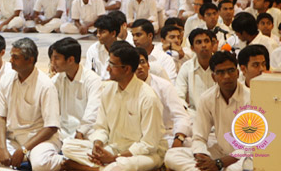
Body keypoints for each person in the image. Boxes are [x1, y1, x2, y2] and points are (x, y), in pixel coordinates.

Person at [62, 43, 167, 171]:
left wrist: (115, 158)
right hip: (113, 147)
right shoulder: (108, 90)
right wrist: (98, 146)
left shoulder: (148, 98)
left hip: (144, 154)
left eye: (112, 65)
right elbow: (101, 127)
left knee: (121, 166)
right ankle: (101, 165)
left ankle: (92, 169)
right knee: (68, 146)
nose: (107, 69)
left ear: (127, 69)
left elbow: (149, 144)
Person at [0, 38, 63, 170]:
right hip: (14, 140)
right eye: (11, 56)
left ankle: (63, 162)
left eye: (15, 57)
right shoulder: (7, 79)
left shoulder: (46, 85)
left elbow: (51, 127)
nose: (10, 61)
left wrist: (24, 149)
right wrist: (2, 149)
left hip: (40, 140)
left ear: (30, 60)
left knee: (40, 164)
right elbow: (1, 117)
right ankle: (22, 160)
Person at [164, 51, 249, 171]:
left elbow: (250, 145)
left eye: (230, 70)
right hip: (220, 150)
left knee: (242, 167)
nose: (226, 76)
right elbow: (199, 137)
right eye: (220, 72)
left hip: (242, 156)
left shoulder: (250, 98)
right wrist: (203, 158)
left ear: (238, 73)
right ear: (213, 77)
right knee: (172, 155)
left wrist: (219, 163)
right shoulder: (207, 98)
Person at [134, 48, 191, 148]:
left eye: (142, 62)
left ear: (148, 65)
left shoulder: (164, 86)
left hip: (165, 136)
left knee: (187, 145)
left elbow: (181, 116)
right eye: (135, 64)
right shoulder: (126, 88)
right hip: (137, 138)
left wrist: (179, 139)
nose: (139, 67)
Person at [49, 37, 102, 141]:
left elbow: (93, 112)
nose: (53, 63)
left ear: (70, 60)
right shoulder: (57, 80)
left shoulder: (92, 80)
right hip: (61, 134)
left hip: (85, 134)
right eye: (52, 59)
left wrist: (81, 131)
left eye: (56, 58)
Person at [175, 29, 216, 116]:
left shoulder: (222, 65)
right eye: (199, 42)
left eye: (206, 41)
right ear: (192, 48)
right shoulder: (187, 67)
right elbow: (179, 96)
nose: (204, 45)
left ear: (212, 45)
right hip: (194, 116)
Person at [84, 15, 120, 79]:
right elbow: (88, 73)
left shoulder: (125, 49)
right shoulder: (93, 49)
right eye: (97, 32)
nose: (98, 35)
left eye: (102, 32)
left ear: (113, 33)